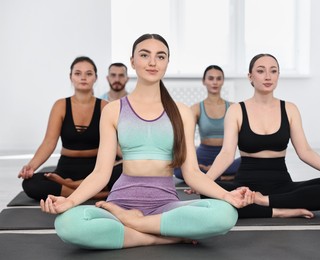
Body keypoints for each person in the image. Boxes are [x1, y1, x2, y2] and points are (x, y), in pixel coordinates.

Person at [40, 34, 254, 250]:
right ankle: (161, 236)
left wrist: (227, 196)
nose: (152, 62)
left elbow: (192, 173)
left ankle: (136, 225)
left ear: (167, 63)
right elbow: (100, 174)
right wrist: (70, 201)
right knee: (66, 224)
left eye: (160, 57)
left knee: (225, 214)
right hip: (119, 203)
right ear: (133, 61)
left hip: (166, 206)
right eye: (145, 55)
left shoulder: (181, 112)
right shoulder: (113, 110)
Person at [196, 53, 320, 219]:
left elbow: (305, 151)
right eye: (261, 71)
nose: (268, 76)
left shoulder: (290, 109)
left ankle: (263, 202)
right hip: (245, 189)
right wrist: (205, 182)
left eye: (273, 71)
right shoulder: (236, 110)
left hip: (282, 186)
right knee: (208, 194)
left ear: (278, 75)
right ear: (250, 77)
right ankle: (280, 211)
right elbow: (226, 154)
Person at [18, 56, 122, 201]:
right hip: (66, 169)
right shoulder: (60, 106)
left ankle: (72, 187)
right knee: (31, 184)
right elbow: (49, 142)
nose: (83, 78)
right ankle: (94, 193)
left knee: (126, 170)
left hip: (97, 168)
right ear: (71, 77)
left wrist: (131, 160)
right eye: (78, 73)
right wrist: (31, 166)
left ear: (95, 78)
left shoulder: (105, 106)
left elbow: (115, 145)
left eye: (89, 74)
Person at [174, 65, 240, 181]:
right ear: (204, 81)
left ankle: (208, 174)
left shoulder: (233, 107)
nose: (215, 82)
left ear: (222, 81)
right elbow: (184, 138)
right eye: (211, 78)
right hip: (202, 158)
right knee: (177, 170)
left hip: (225, 158)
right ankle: (220, 176)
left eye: (218, 78)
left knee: (249, 163)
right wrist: (192, 164)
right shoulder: (196, 108)